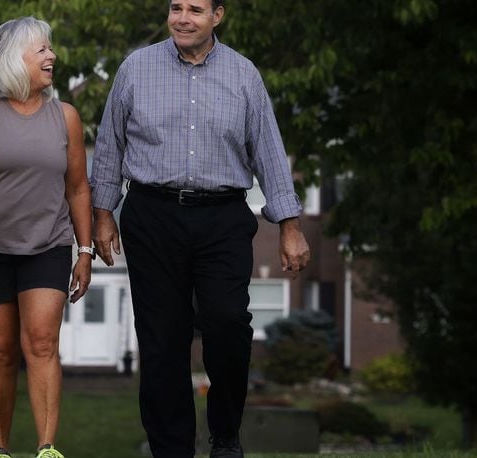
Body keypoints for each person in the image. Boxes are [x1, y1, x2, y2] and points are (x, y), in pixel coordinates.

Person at [91, 1, 310, 457]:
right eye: (175, 8)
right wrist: (103, 213)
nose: (183, 18)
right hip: (152, 215)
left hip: (223, 218)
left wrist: (289, 225)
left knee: (229, 323)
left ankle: (225, 438)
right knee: (162, 338)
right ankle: (172, 450)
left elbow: (268, 150)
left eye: (195, 9)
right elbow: (110, 143)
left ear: (218, 16)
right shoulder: (136, 68)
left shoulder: (244, 75)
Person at [0, 16, 92, 458]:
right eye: (42, 50)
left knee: (42, 343)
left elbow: (79, 188)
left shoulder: (65, 117)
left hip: (46, 245)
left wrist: (83, 251)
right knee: (0, 352)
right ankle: (1, 450)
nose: (53, 56)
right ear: (14, 58)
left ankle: (46, 447)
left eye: (51, 49)